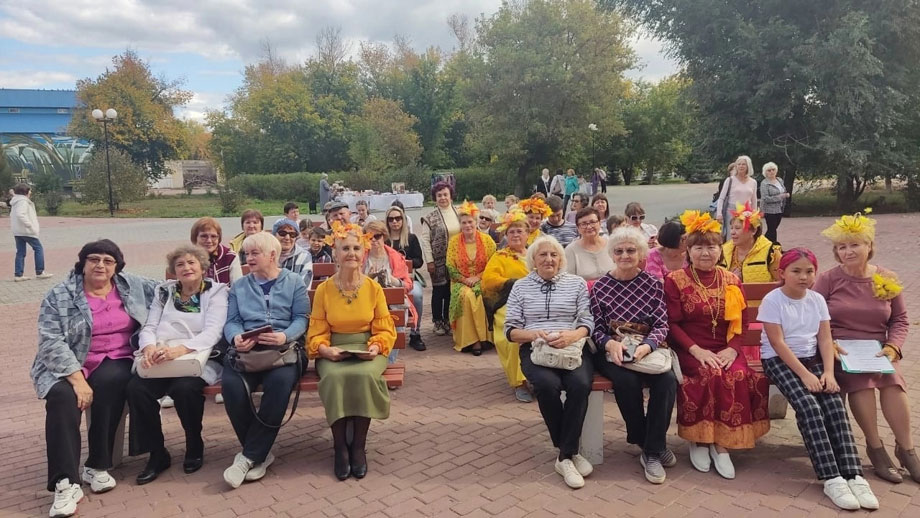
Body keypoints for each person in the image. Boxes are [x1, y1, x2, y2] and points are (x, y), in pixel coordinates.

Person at [33, 240, 155, 517]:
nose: (100, 265)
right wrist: (76, 380)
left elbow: (169, 288)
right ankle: (65, 482)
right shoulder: (60, 295)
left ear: (116, 267)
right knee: (62, 399)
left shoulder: (131, 285)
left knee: (114, 381)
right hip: (68, 363)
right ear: (83, 263)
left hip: (116, 358)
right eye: (94, 259)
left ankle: (96, 464)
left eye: (108, 261)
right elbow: (50, 342)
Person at [759, 248, 879, 510]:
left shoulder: (816, 300)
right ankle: (831, 477)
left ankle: (853, 474)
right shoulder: (773, 300)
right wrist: (804, 376)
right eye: (796, 271)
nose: (803, 277)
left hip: (811, 361)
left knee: (834, 404)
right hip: (779, 361)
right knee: (809, 406)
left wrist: (827, 372)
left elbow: (825, 339)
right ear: (782, 273)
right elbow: (777, 344)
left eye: (809, 271)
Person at [663, 210, 770, 479]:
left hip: (726, 347)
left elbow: (741, 321)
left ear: (719, 250)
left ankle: (721, 444)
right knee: (707, 373)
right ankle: (699, 438)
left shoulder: (731, 280)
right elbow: (672, 324)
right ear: (689, 250)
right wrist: (696, 350)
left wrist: (733, 349)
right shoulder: (675, 280)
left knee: (736, 373)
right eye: (699, 247)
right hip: (690, 347)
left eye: (711, 246)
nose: (705, 253)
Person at [814, 211, 917, 484]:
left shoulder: (887, 277)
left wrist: (893, 346)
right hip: (841, 349)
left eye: (855, 244)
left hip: (877, 349)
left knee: (893, 382)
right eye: (842, 247)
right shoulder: (828, 279)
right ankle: (875, 447)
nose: (848, 251)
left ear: (869, 245)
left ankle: (907, 450)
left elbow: (900, 319)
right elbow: (813, 317)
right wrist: (829, 344)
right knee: (861, 383)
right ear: (836, 252)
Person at [126, 245, 229, 484]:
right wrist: (149, 347)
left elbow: (214, 331)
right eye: (180, 264)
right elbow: (149, 326)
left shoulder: (215, 292)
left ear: (202, 267)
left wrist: (180, 350)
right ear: (173, 270)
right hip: (161, 355)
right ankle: (157, 453)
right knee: (136, 389)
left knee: (185, 389)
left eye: (192, 263)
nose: (186, 268)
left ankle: (194, 443)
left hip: (196, 357)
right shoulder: (164, 292)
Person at [307, 222, 397, 481]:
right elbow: (318, 329)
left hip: (367, 348)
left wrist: (376, 345)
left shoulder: (373, 288)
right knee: (335, 377)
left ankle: (358, 447)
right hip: (333, 347)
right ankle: (339, 448)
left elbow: (383, 327)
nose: (351, 253)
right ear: (335, 252)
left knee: (364, 375)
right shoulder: (324, 289)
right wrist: (324, 350)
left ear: (364, 251)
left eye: (357, 248)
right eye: (345, 248)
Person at [505, 236, 595, 489]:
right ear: (533, 259)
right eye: (543, 255)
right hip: (536, 348)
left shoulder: (576, 284)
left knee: (579, 385)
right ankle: (569, 454)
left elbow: (587, 321)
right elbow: (510, 331)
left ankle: (565, 456)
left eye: (554, 255)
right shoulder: (520, 287)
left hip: (573, 347)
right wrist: (536, 335)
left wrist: (573, 335)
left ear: (561, 259)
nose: (549, 259)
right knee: (546, 386)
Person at [220, 232, 309, 489]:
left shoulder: (294, 281)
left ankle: (247, 458)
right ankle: (258, 454)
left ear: (272, 255)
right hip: (247, 351)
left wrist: (284, 335)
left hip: (284, 350)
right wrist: (236, 337)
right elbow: (233, 321)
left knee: (279, 385)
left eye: (254, 253)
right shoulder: (240, 286)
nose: (249, 258)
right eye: (246, 254)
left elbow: (302, 318)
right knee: (232, 387)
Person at [590, 227, 676, 484]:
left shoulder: (652, 284)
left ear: (640, 254)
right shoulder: (601, 287)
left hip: (646, 349)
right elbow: (594, 327)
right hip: (612, 350)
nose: (625, 255)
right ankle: (650, 446)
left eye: (631, 250)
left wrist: (647, 346)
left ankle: (650, 448)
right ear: (612, 254)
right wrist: (608, 344)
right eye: (619, 251)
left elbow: (662, 324)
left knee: (667, 381)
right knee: (626, 381)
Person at [483, 210, 531, 402]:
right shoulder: (500, 256)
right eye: (511, 232)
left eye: (520, 231)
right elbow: (488, 281)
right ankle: (519, 382)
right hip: (508, 302)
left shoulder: (536, 253)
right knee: (512, 334)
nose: (516, 235)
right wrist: (513, 282)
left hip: (536, 303)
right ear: (505, 235)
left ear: (528, 234)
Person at [446, 201, 496, 355]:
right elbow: (450, 267)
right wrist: (464, 280)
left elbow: (493, 264)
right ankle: (472, 341)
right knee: (466, 296)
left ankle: (484, 338)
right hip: (460, 281)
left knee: (480, 295)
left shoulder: (487, 241)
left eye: (470, 222)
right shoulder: (454, 242)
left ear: (476, 222)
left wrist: (478, 277)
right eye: (464, 222)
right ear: (460, 225)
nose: (467, 225)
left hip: (482, 279)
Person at [364, 220, 416, 361]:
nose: (373, 240)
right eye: (369, 237)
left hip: (392, 305)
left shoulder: (394, 257)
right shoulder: (361, 256)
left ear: (384, 236)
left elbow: (408, 285)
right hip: (367, 305)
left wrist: (393, 280)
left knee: (395, 322)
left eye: (377, 236)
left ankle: (389, 363)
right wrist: (367, 277)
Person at [421, 181, 460, 336]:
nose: (443, 198)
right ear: (435, 198)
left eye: (445, 194)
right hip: (438, 261)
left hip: (456, 260)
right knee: (439, 291)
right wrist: (429, 261)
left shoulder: (459, 213)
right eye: (439, 195)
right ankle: (437, 321)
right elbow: (425, 240)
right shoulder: (429, 217)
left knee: (451, 291)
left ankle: (448, 320)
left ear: (451, 196)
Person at [384, 205, 426, 351]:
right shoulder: (384, 240)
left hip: (408, 278)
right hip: (387, 281)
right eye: (391, 219)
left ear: (403, 219)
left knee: (418, 295)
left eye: (398, 218)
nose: (395, 222)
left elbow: (419, 261)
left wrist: (404, 262)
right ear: (387, 221)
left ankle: (415, 332)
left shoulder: (411, 238)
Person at [718, 202, 780, 282]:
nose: (732, 232)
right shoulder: (723, 250)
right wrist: (730, 279)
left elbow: (782, 282)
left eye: (737, 228)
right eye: (731, 228)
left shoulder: (770, 252)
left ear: (753, 231)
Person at [10, 182, 53, 281]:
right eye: (29, 190)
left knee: (20, 252)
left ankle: (18, 275)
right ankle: (40, 271)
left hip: (18, 231)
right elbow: (21, 215)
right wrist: (29, 225)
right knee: (38, 248)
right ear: (25, 192)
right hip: (26, 231)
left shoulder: (16, 201)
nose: (31, 192)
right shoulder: (23, 202)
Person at [565, 207, 614, 289]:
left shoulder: (612, 245)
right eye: (584, 224)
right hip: (585, 297)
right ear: (578, 228)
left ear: (600, 223)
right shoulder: (571, 250)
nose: (589, 227)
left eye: (592, 222)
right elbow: (569, 282)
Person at [716, 155, 758, 239]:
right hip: (731, 212)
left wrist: (755, 216)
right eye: (739, 164)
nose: (741, 166)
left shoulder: (753, 182)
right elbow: (721, 198)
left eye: (743, 164)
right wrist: (719, 214)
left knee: (745, 236)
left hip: (747, 213)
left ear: (748, 166)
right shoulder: (730, 180)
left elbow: (754, 200)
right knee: (731, 236)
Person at [191, 217, 243, 285]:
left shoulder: (230, 257)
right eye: (204, 236)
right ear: (195, 238)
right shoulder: (188, 258)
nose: (209, 241)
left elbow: (238, 288)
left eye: (213, 236)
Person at [271, 218, 314, 286]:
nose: (287, 237)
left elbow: (303, 287)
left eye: (292, 234)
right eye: (282, 233)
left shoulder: (304, 256)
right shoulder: (266, 254)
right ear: (274, 235)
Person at [760, 162, 789, 244]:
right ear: (765, 172)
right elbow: (765, 198)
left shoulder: (779, 180)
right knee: (772, 229)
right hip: (769, 210)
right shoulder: (764, 183)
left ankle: (762, 244)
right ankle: (774, 248)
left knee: (772, 230)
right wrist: (781, 197)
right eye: (769, 170)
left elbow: (783, 190)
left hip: (779, 209)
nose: (771, 172)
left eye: (773, 170)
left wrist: (784, 196)